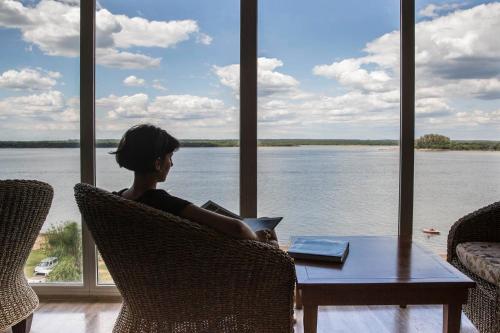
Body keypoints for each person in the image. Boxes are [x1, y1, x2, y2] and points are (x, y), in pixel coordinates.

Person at [111, 124, 277, 245]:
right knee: (271, 237)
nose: (172, 164)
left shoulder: (119, 199)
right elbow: (238, 229)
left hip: (148, 276)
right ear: (158, 164)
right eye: (170, 157)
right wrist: (256, 237)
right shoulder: (160, 201)